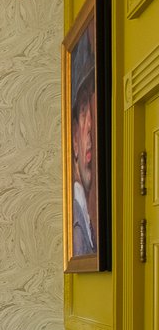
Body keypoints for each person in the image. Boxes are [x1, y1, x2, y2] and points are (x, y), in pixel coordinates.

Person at [70, 75, 98, 258]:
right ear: (74, 138)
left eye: (91, 110)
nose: (90, 126)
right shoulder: (77, 226)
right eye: (83, 110)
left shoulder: (86, 220)